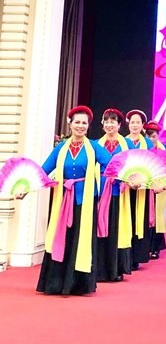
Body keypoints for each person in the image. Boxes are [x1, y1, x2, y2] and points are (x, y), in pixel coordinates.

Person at [16, 105, 111, 295]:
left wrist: (128, 180)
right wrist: (25, 188)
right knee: (62, 238)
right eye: (77, 122)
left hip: (85, 202)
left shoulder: (93, 147)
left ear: (88, 125)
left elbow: (113, 165)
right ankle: (56, 283)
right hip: (63, 201)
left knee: (80, 240)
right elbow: (43, 171)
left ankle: (77, 284)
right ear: (70, 124)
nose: (81, 126)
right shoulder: (61, 148)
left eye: (84, 123)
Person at [96, 108, 133, 282]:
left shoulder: (128, 145)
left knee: (116, 230)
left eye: (113, 121)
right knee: (99, 230)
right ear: (102, 124)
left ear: (119, 125)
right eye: (107, 121)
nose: (110, 124)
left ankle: (115, 269)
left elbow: (135, 166)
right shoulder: (95, 145)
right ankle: (100, 269)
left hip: (119, 192)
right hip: (99, 192)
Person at [125, 109, 154, 270]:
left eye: (138, 122)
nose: (135, 125)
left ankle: (137, 256)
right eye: (133, 122)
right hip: (126, 186)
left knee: (139, 221)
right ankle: (125, 255)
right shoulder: (123, 142)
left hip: (142, 187)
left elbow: (153, 164)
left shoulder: (148, 144)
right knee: (126, 219)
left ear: (143, 125)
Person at [144, 120, 166, 259]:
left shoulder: (164, 149)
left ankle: (156, 248)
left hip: (160, 186)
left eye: (154, 136)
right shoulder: (142, 149)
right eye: (149, 136)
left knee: (158, 217)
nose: (151, 139)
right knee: (146, 216)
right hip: (145, 187)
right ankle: (145, 247)